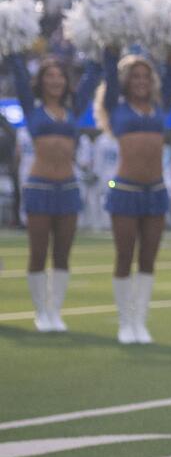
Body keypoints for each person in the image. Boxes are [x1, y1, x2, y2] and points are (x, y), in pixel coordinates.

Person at [8, 50, 100, 331]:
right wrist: (13, 49)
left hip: (68, 187)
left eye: (60, 75)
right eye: (50, 75)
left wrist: (102, 51)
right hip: (39, 186)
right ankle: (40, 312)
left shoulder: (74, 109)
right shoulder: (32, 109)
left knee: (62, 253)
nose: (56, 80)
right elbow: (20, 77)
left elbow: (92, 77)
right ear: (41, 81)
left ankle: (55, 311)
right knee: (38, 252)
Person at [98, 48, 171, 344]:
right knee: (124, 256)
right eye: (135, 76)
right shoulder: (115, 106)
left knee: (148, 258)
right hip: (125, 190)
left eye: (146, 76)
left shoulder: (160, 105)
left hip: (156, 190)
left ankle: (140, 321)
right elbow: (109, 70)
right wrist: (110, 45)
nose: (141, 81)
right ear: (125, 80)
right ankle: (125, 322)